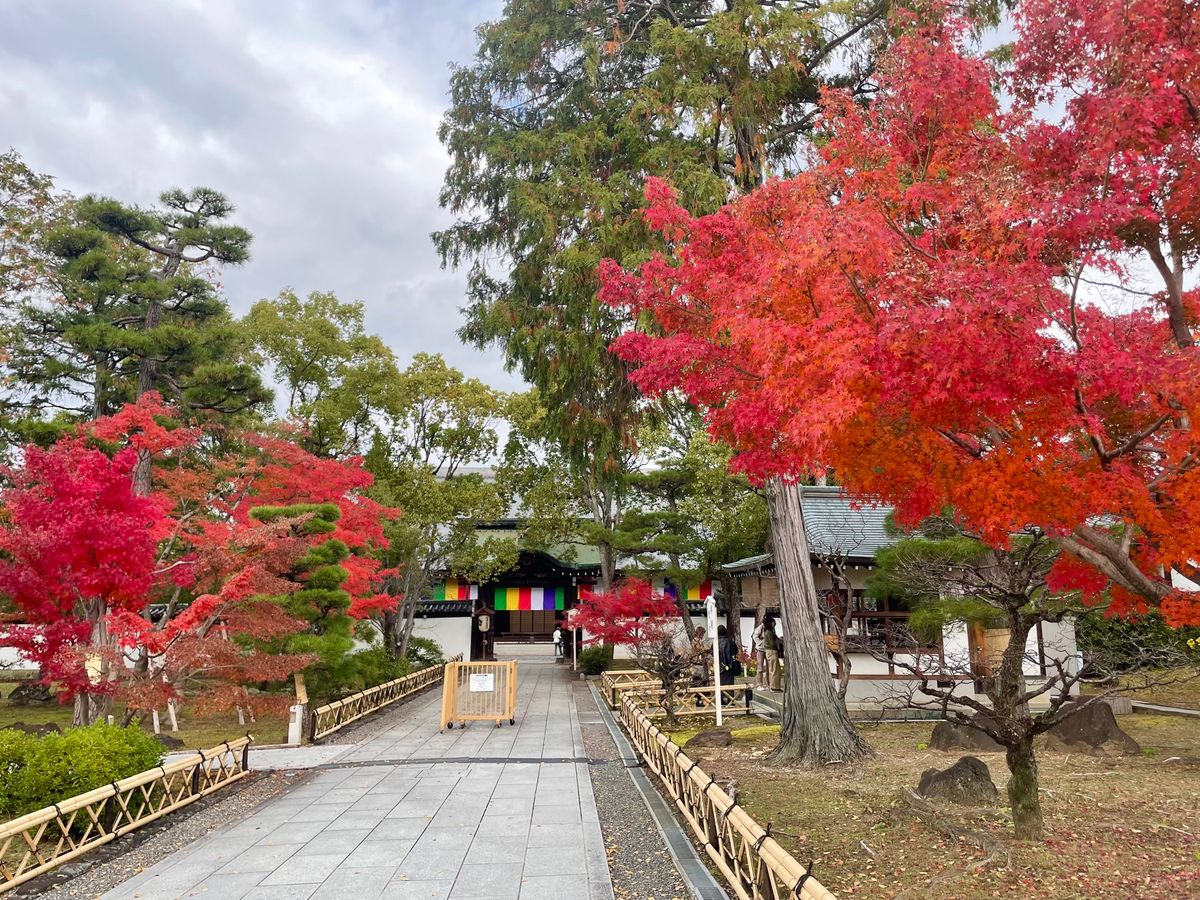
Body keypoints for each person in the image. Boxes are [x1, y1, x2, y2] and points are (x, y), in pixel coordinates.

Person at [761, 615, 781, 691]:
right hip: (772, 651)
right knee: (774, 669)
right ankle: (774, 687)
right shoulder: (769, 632)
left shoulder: (767, 631)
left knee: (773, 669)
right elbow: (772, 643)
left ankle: (774, 686)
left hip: (769, 651)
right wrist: (777, 641)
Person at [751, 618, 767, 687]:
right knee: (760, 667)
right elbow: (754, 636)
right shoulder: (760, 628)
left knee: (769, 667)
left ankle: (769, 683)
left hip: (768, 649)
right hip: (760, 649)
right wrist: (760, 643)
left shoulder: (771, 627)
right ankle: (759, 683)